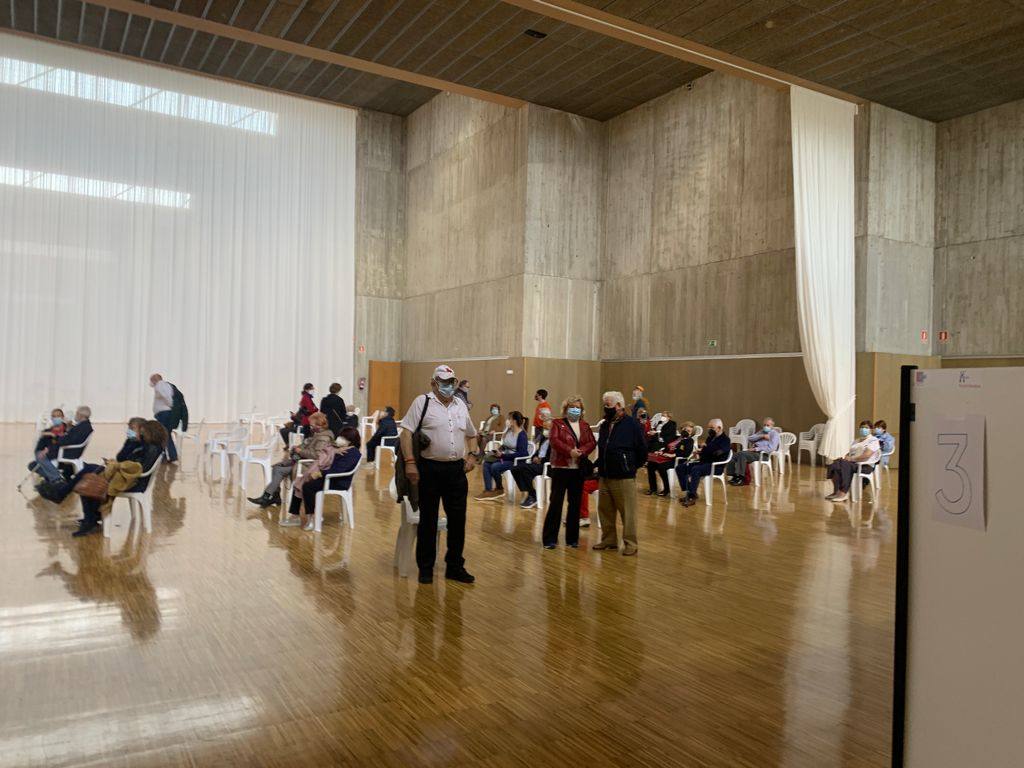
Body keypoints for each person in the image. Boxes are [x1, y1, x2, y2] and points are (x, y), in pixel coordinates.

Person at [399, 364, 478, 585]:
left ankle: (455, 566)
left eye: (451, 382)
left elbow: (472, 434)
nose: (448, 386)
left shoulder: (460, 406)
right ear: (433, 383)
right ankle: (425, 567)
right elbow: (406, 433)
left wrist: (472, 455)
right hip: (429, 469)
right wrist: (410, 463)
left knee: (458, 520)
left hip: (456, 470)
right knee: (428, 520)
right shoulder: (422, 402)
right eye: (443, 382)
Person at [72, 419, 165, 537]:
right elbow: (122, 458)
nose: (141, 434)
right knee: (89, 474)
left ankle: (89, 520)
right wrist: (129, 443)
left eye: (142, 431)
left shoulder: (151, 448)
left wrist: (119, 466)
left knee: (89, 481)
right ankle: (91, 518)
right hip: (127, 477)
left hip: (132, 482)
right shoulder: (147, 446)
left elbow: (139, 469)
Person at [593, 391, 647, 556]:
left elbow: (642, 450)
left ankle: (630, 543)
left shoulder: (631, 425)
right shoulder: (604, 425)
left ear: (619, 406)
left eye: (608, 404)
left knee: (627, 512)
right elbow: (603, 449)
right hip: (605, 475)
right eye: (604, 404)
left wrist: (630, 467)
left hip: (623, 477)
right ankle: (609, 539)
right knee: (605, 510)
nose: (605, 407)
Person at [281, 427, 362, 530]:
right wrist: (334, 452)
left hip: (337, 481)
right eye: (340, 436)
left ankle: (313, 518)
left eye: (343, 437)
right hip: (329, 477)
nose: (339, 439)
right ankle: (296, 515)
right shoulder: (343, 449)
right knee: (300, 481)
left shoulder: (353, 453)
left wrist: (318, 474)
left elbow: (338, 470)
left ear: (351, 440)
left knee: (308, 486)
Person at [542, 396, 597, 549]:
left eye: (578, 407)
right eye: (572, 407)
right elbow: (554, 441)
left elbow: (591, 442)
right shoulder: (558, 424)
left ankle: (572, 539)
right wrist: (569, 451)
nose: (575, 410)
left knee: (575, 504)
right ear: (566, 409)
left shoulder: (585, 425)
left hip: (577, 470)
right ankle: (550, 539)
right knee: (556, 504)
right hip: (561, 468)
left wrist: (582, 451)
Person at [248, 412, 333, 507]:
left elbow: (317, 455)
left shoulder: (323, 438)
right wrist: (296, 449)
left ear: (319, 425)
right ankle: (272, 496)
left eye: (312, 425)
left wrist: (300, 451)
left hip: (309, 466)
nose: (310, 426)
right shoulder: (317, 434)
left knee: (278, 470)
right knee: (276, 467)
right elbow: (306, 447)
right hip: (303, 462)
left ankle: (267, 497)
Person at [31, 406, 93, 484]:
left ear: (80, 415)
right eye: (54, 416)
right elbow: (69, 438)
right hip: (67, 449)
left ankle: (56, 478)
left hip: (66, 451)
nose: (75, 415)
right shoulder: (83, 426)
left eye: (76, 413)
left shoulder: (82, 427)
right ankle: (54, 476)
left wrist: (51, 445)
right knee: (35, 461)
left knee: (38, 457)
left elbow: (67, 441)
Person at [677, 419, 731, 507]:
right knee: (680, 468)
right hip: (704, 463)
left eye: (712, 428)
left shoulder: (725, 440)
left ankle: (692, 497)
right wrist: (699, 452)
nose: (709, 429)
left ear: (719, 428)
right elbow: (705, 451)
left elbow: (718, 453)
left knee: (696, 469)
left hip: (715, 466)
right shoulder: (710, 438)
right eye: (709, 427)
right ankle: (690, 492)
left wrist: (707, 447)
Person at [476, 411, 528, 500]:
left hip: (515, 461)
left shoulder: (522, 435)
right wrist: (498, 451)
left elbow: (523, 453)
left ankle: (499, 489)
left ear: (514, 421)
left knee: (495, 466)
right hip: (504, 457)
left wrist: (503, 456)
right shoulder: (509, 432)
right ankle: (488, 490)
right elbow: (505, 445)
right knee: (487, 463)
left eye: (509, 419)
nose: (507, 421)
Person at [825, 420, 881, 502]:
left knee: (845, 465)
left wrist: (851, 459)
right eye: (862, 427)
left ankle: (843, 493)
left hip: (865, 465)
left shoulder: (873, 440)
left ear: (871, 430)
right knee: (836, 464)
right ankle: (836, 491)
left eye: (866, 428)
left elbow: (867, 454)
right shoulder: (857, 440)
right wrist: (846, 456)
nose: (863, 429)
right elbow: (851, 452)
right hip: (853, 463)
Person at [511, 412, 552, 509]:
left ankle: (533, 496)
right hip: (537, 463)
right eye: (544, 428)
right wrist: (534, 457)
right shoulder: (543, 438)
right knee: (515, 468)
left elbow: (553, 457)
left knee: (524, 469)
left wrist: (541, 460)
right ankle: (529, 492)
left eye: (547, 428)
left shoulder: (555, 441)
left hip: (547, 466)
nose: (544, 430)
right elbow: (538, 451)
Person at [727, 417, 780, 485]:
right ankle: (733, 476)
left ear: (772, 426)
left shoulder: (774, 434)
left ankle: (741, 478)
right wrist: (762, 436)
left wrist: (756, 449)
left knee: (742, 455)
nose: (765, 427)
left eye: (768, 425)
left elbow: (771, 448)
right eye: (764, 425)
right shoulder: (761, 432)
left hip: (763, 455)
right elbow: (750, 438)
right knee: (735, 454)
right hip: (754, 452)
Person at [644, 419, 682, 496]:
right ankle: (653, 488)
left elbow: (682, 452)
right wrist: (660, 451)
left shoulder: (683, 440)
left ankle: (666, 489)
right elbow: (665, 447)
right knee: (650, 465)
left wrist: (672, 454)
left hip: (673, 459)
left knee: (661, 467)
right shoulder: (673, 437)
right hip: (665, 457)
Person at [149, 374, 180, 463]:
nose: (151, 383)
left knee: (163, 435)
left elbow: (167, 397)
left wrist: (171, 406)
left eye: (151, 381)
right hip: (166, 414)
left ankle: (166, 456)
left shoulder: (159, 385)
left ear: (155, 380)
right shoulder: (166, 385)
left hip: (164, 414)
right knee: (166, 435)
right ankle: (170, 456)